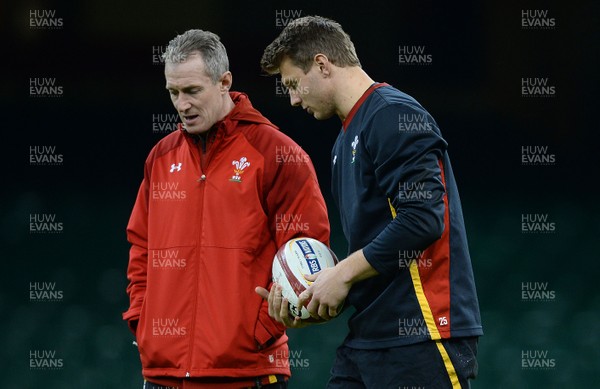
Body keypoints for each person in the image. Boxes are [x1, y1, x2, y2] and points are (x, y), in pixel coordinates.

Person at [256, 16, 483, 388]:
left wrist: (341, 274)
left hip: (422, 334)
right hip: (369, 337)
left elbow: (423, 219)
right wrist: (313, 298)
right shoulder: (342, 143)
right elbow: (376, 251)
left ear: (322, 64)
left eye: (294, 84)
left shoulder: (394, 115)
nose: (294, 99)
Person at [123, 29, 330, 389]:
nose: (181, 105)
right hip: (162, 374)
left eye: (192, 91)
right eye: (173, 93)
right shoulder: (161, 158)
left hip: (247, 373)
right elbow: (141, 247)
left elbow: (308, 250)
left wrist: (262, 329)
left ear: (224, 82)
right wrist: (142, 319)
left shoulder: (278, 154)